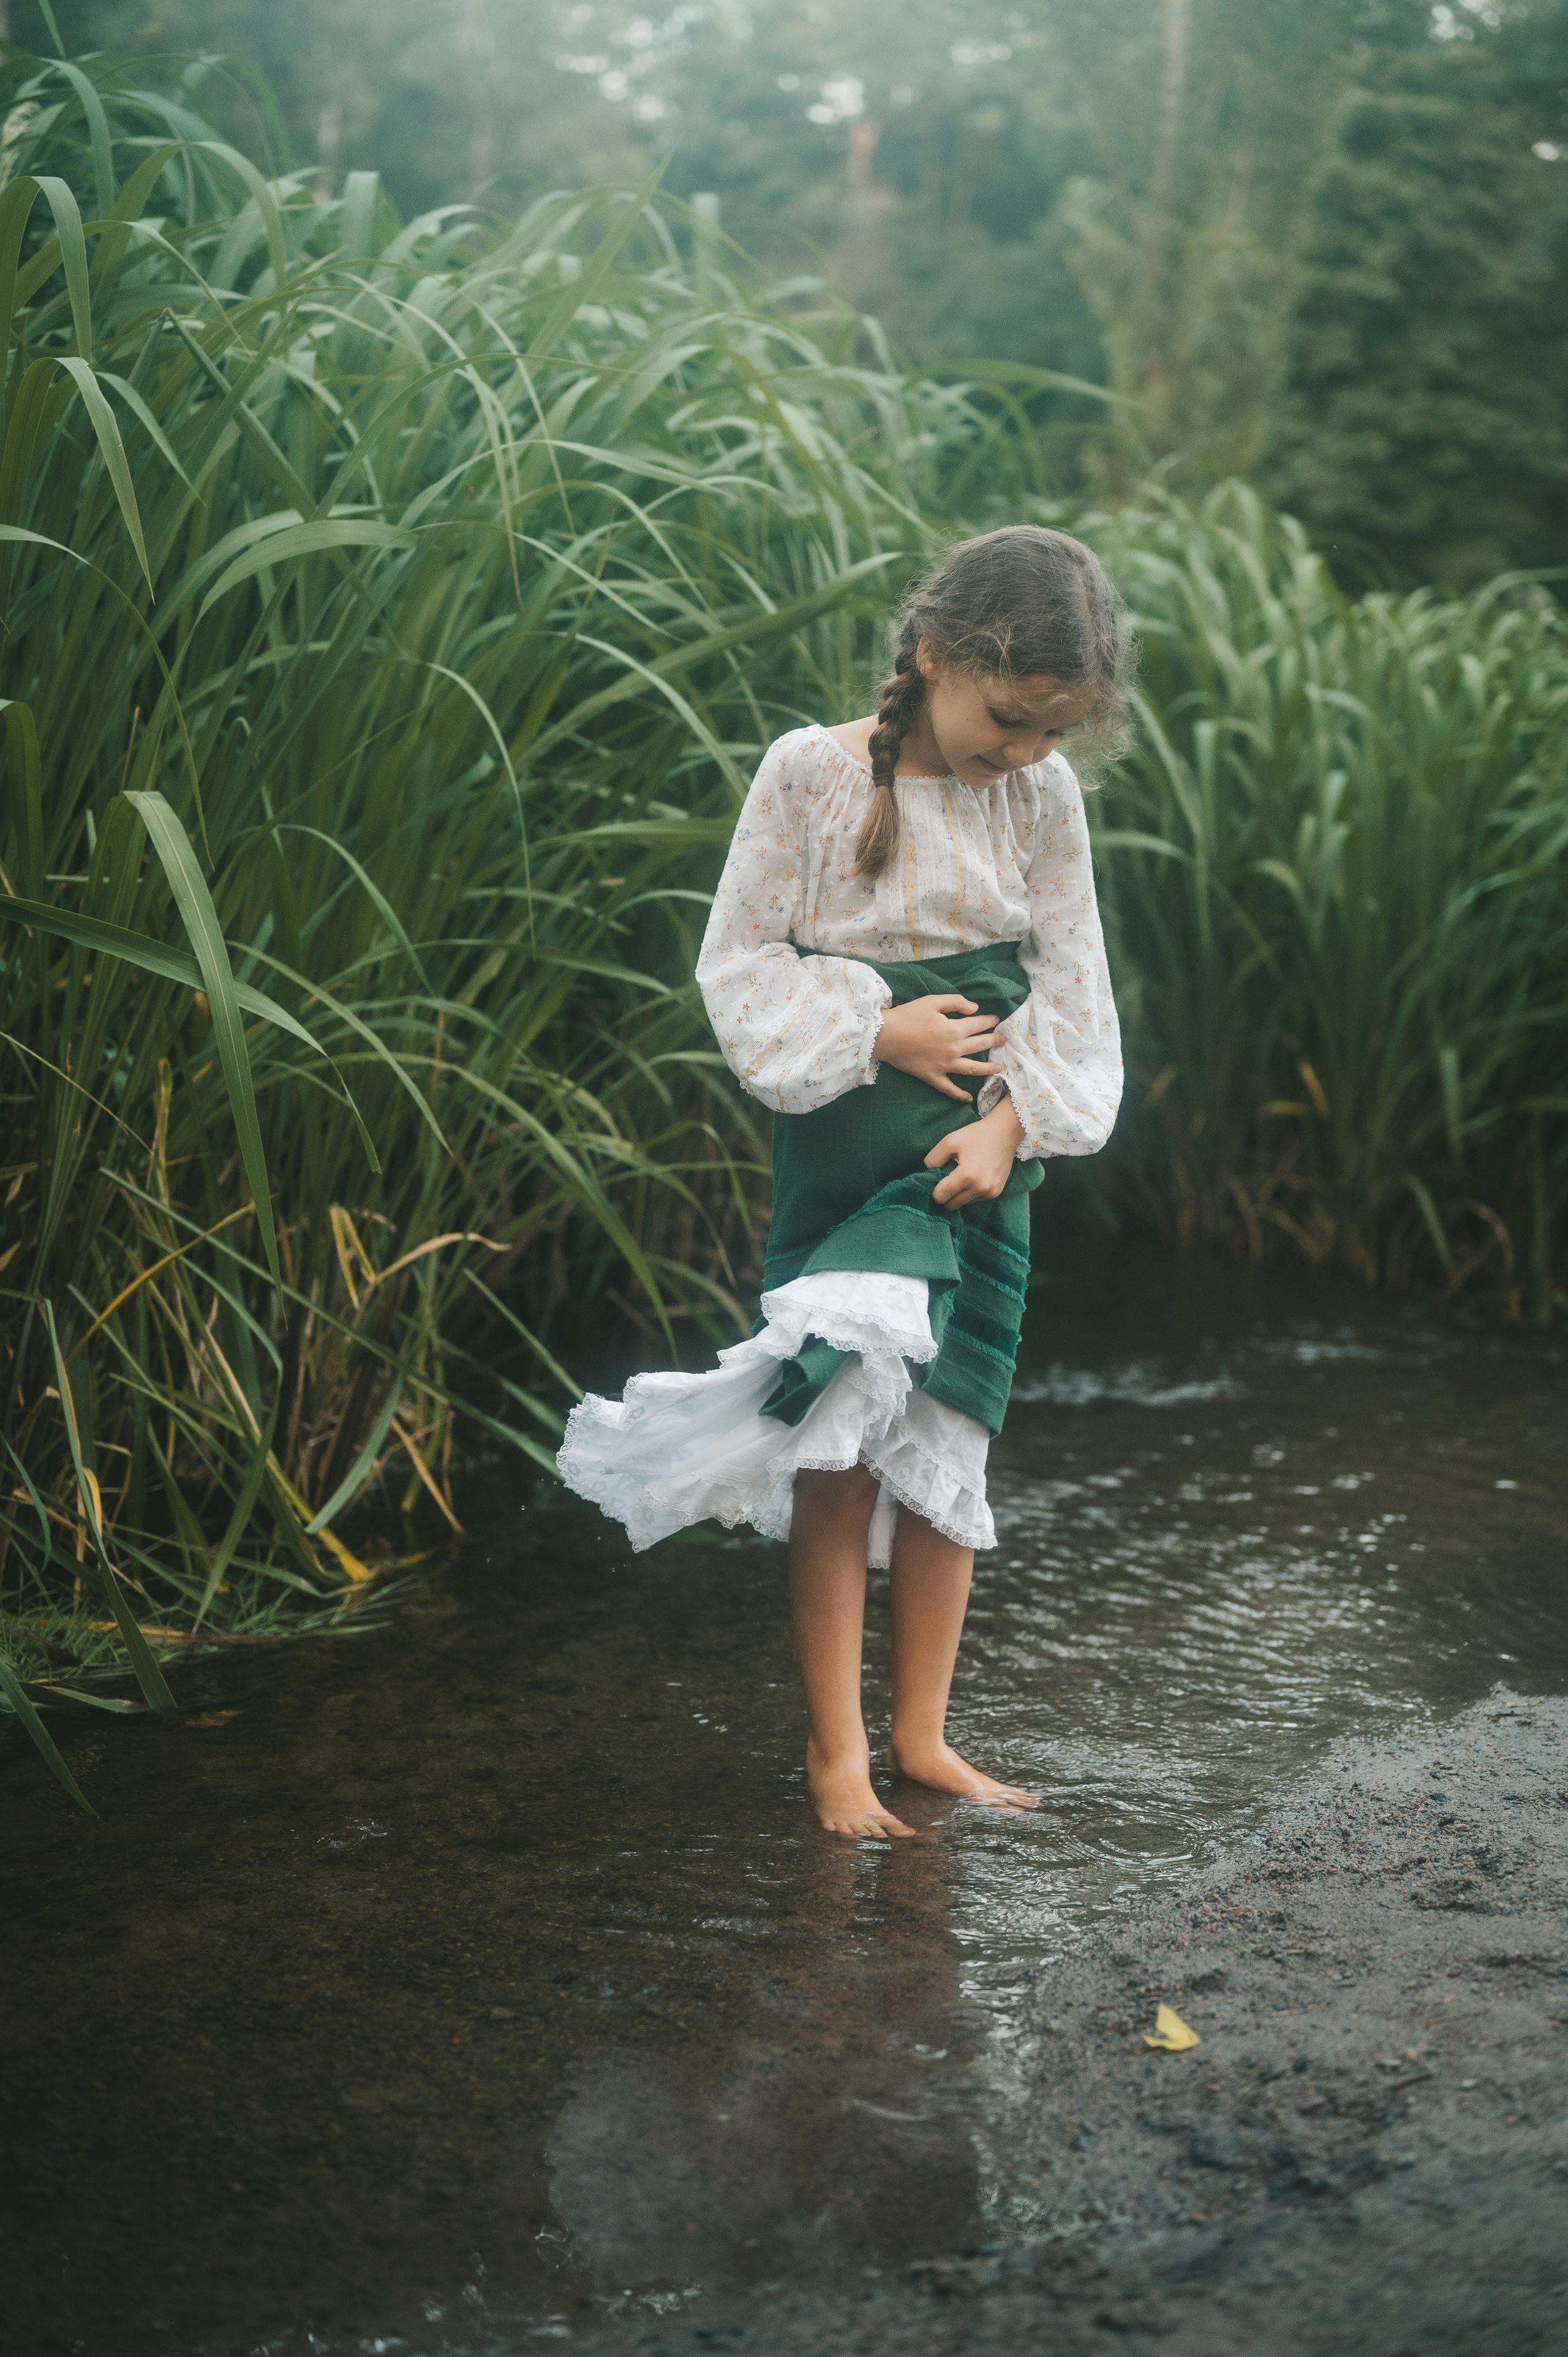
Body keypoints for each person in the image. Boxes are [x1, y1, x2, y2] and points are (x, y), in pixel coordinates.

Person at [559, 526, 1129, 1839]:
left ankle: (921, 1733)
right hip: (846, 1129)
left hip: (986, 1141)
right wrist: (879, 1028)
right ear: (932, 655)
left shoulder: (1043, 796)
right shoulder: (809, 773)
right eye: (1007, 721)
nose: (1026, 753)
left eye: (1053, 732)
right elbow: (739, 959)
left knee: (953, 1423)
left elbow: (1073, 980)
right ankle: (837, 1753)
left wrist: (1012, 1128)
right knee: (839, 1436)